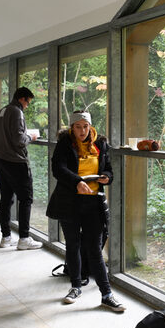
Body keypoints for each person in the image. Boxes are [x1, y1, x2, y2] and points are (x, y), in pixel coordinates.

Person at [46, 110, 125, 312]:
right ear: (72, 128)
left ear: (90, 126)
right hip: (69, 202)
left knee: (94, 249)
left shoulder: (100, 144)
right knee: (72, 245)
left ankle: (106, 294)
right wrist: (78, 182)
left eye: (85, 126)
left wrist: (107, 177)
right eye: (78, 126)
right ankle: (75, 286)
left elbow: (108, 169)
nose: (82, 131)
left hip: (93, 204)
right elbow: (58, 169)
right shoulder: (65, 143)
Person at [0, 86, 42, 250]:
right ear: (22, 99)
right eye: (28, 102)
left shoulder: (2, 111)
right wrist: (31, 136)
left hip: (0, 160)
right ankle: (24, 239)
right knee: (25, 199)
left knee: (6, 199)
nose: (27, 106)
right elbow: (20, 140)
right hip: (16, 163)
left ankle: (6, 237)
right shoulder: (17, 112)